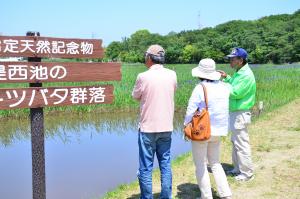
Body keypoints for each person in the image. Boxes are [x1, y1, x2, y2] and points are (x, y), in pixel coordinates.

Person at [132, 44, 177, 199]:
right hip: (166, 127)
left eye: (146, 56)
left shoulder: (142, 76)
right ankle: (166, 196)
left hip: (147, 129)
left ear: (149, 58)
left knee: (146, 167)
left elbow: (136, 96)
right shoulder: (172, 75)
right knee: (165, 163)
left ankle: (147, 197)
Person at [184, 58, 232, 199]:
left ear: (200, 73)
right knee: (215, 163)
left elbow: (190, 110)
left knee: (200, 165)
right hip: (219, 130)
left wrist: (185, 126)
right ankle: (226, 194)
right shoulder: (224, 87)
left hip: (202, 130)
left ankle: (206, 196)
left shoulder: (200, 88)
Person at [218, 47, 256, 181]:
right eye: (230, 58)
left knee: (241, 143)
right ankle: (237, 168)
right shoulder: (239, 72)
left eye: (233, 58)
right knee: (235, 142)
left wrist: (220, 85)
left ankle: (247, 174)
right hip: (236, 113)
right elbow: (234, 84)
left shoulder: (245, 75)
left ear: (241, 60)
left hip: (240, 113)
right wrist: (226, 78)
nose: (230, 61)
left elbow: (235, 92)